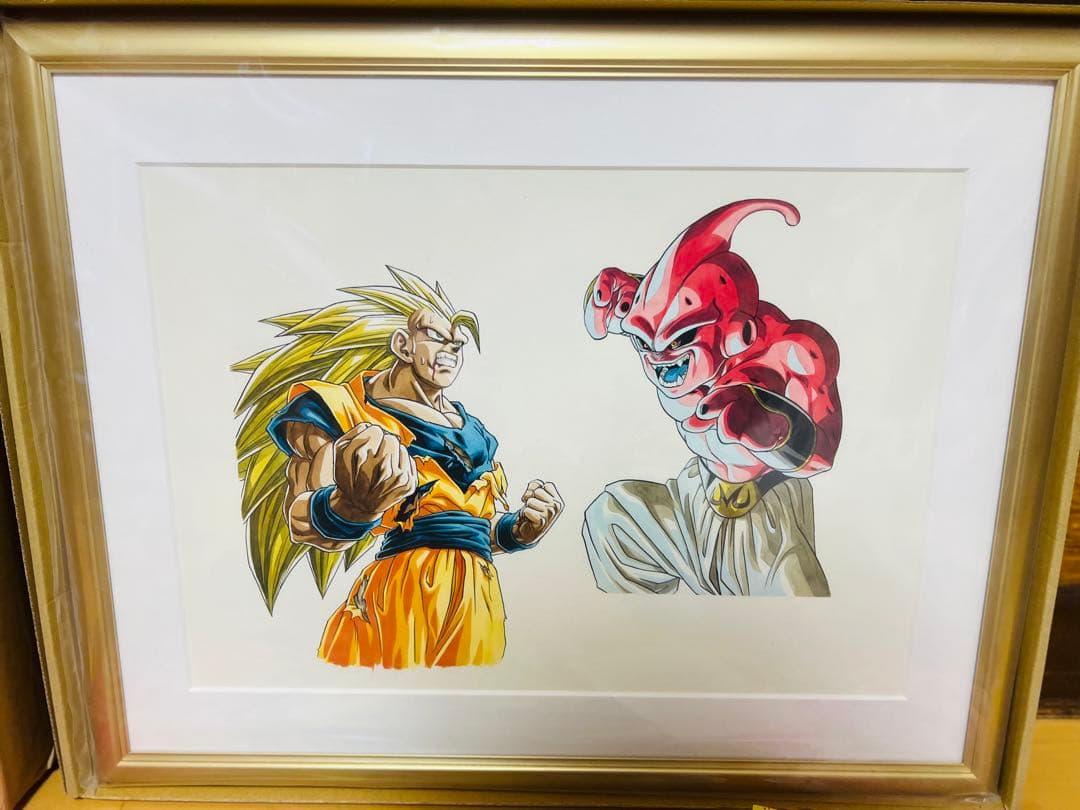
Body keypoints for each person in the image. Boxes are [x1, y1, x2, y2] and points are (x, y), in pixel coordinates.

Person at [236, 268, 562, 667]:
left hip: (479, 609)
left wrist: (518, 531)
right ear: (402, 345)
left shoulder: (475, 433)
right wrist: (351, 508)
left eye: (457, 344)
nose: (450, 350)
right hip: (400, 603)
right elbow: (301, 518)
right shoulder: (345, 410)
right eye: (437, 337)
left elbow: (469, 527)